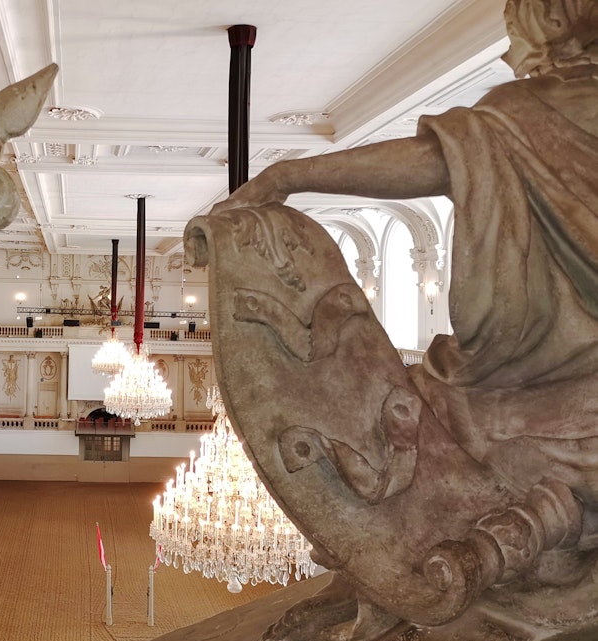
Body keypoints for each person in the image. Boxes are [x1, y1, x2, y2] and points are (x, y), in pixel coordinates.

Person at [212, 0, 598, 495]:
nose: (509, 55)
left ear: (555, 22)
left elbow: (431, 162)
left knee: (400, 421)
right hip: (560, 371)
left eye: (515, 32)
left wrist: (290, 175)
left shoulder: (527, 111)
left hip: (540, 371)